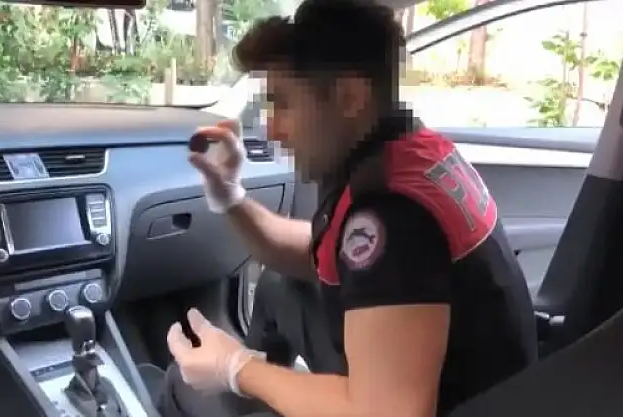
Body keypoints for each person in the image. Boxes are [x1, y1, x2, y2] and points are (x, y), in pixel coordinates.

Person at [158, 0, 538, 416]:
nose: (272, 129)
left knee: (183, 389)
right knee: (280, 285)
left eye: (283, 103)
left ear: (350, 97)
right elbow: (317, 252)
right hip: (474, 389)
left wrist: (235, 368)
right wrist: (230, 196)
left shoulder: (393, 217)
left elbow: (390, 413)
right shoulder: (411, 151)